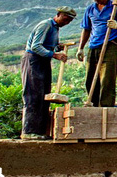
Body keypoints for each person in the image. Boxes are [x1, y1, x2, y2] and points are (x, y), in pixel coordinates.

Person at [20, 7, 77, 140]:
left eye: (69, 21)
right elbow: (36, 46)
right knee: (33, 95)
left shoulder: (55, 28)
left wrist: (58, 47)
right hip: (33, 60)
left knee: (43, 95)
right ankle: (28, 131)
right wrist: (54, 54)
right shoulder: (45, 25)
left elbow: (48, 45)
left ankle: (39, 131)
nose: (66, 22)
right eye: (65, 19)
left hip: (43, 62)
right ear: (58, 15)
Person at [77, 0, 117, 107]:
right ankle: (94, 105)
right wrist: (80, 48)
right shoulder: (90, 9)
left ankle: (105, 108)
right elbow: (86, 29)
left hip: (110, 45)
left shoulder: (116, 7)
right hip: (93, 46)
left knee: (107, 80)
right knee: (90, 79)